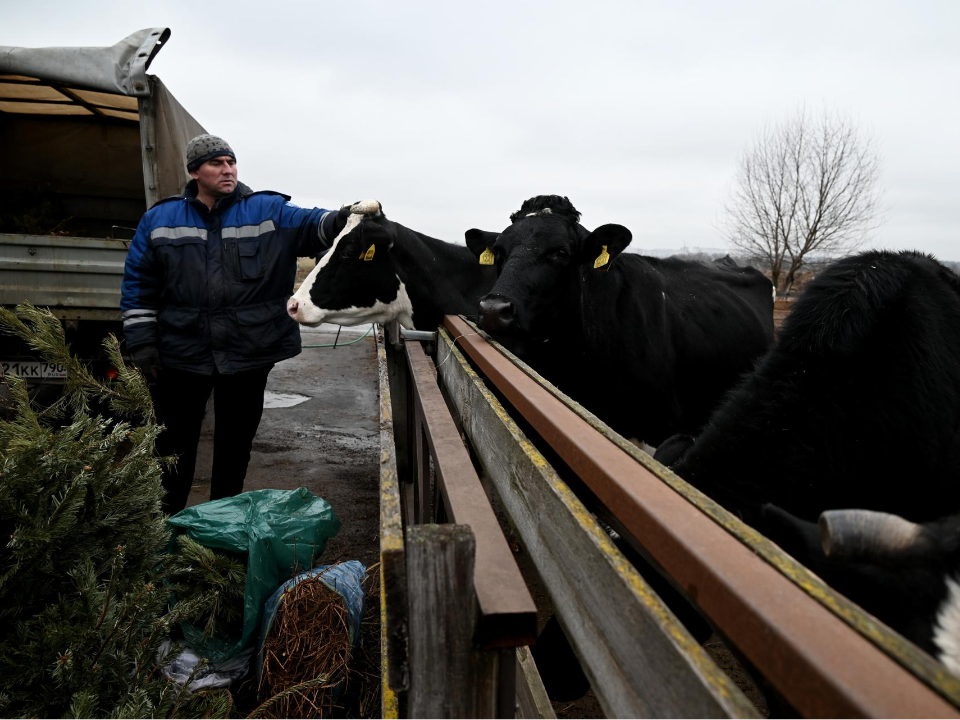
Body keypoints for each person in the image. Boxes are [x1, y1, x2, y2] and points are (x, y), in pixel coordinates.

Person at [120, 133, 355, 514]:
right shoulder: (160, 220)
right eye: (216, 163)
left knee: (235, 447)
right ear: (195, 172)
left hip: (248, 353)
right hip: (181, 352)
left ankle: (221, 529)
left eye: (231, 162)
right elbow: (138, 285)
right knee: (172, 448)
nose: (227, 170)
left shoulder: (267, 210)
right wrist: (142, 342)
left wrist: (342, 217)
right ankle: (167, 528)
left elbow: (314, 225)